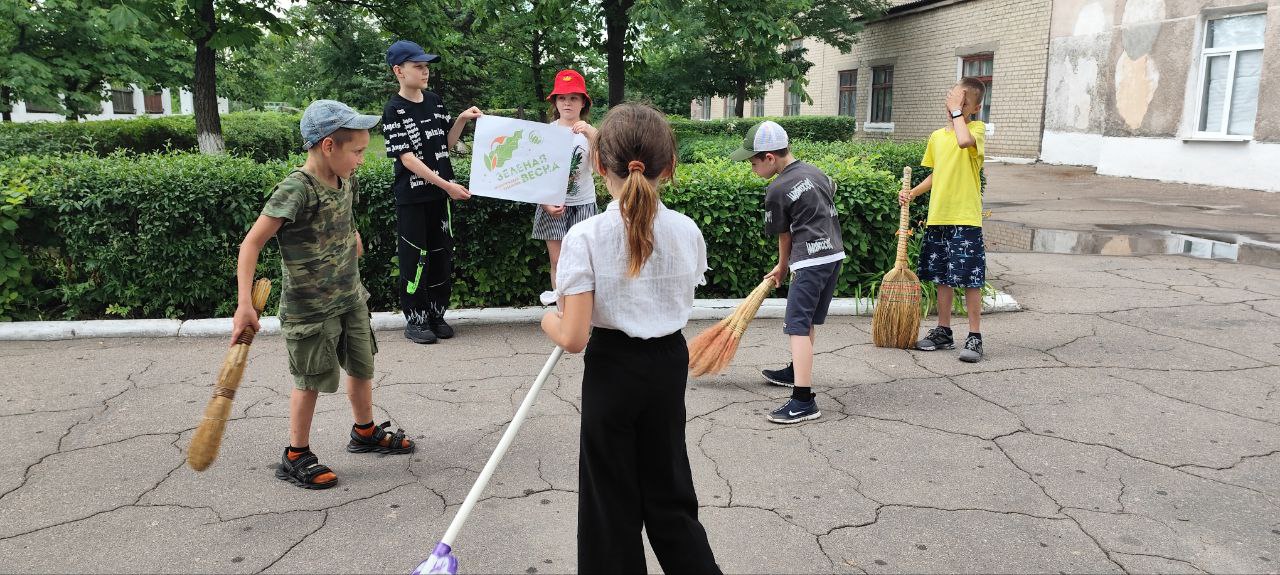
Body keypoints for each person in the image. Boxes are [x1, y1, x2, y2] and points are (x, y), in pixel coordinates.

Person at [540, 103, 721, 574]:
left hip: (613, 370)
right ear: (670, 166)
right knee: (670, 492)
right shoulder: (687, 231)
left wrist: (547, 320)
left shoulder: (586, 236)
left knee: (610, 507)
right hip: (667, 365)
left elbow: (574, 336)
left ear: (598, 165)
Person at [232, 100, 415, 490]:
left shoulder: (344, 178)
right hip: (309, 308)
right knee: (309, 381)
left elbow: (342, 221)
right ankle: (295, 455)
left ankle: (364, 432)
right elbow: (251, 245)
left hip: (349, 296)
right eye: (358, 151)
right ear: (328, 146)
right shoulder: (295, 189)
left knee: (363, 366)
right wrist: (244, 304)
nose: (362, 160)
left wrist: (351, 238)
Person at [731, 121, 845, 424]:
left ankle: (803, 401)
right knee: (806, 322)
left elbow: (784, 234)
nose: (751, 168)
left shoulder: (777, 188)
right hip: (834, 254)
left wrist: (783, 265)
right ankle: (797, 371)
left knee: (796, 326)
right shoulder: (815, 172)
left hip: (809, 261)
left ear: (769, 157)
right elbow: (829, 194)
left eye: (753, 162)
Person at [382, 39, 483, 344]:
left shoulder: (435, 101)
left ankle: (437, 315)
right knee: (415, 258)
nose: (425, 72)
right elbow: (408, 159)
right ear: (399, 70)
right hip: (413, 199)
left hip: (440, 197)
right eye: (418, 66)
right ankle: (415, 320)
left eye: (426, 66)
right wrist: (447, 185)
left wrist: (462, 120)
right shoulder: (394, 109)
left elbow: (445, 146)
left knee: (441, 256)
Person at [900, 77, 988, 362]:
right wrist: (912, 193)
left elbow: (964, 141)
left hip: (966, 218)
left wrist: (956, 113)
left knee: (970, 278)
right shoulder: (937, 137)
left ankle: (974, 337)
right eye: (952, 98)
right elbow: (938, 173)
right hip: (939, 217)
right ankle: (943, 331)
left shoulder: (976, 129)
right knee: (941, 277)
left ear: (974, 108)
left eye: (962, 102)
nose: (954, 105)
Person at [532, 70, 599, 301]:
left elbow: (603, 170)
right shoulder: (545, 133)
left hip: (583, 205)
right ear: (555, 102)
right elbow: (534, 174)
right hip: (553, 206)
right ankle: (562, 309)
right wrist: (545, 202)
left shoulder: (593, 134)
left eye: (573, 98)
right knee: (558, 261)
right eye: (562, 98)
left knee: (584, 263)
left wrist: (592, 136)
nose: (567, 103)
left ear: (583, 103)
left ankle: (585, 314)